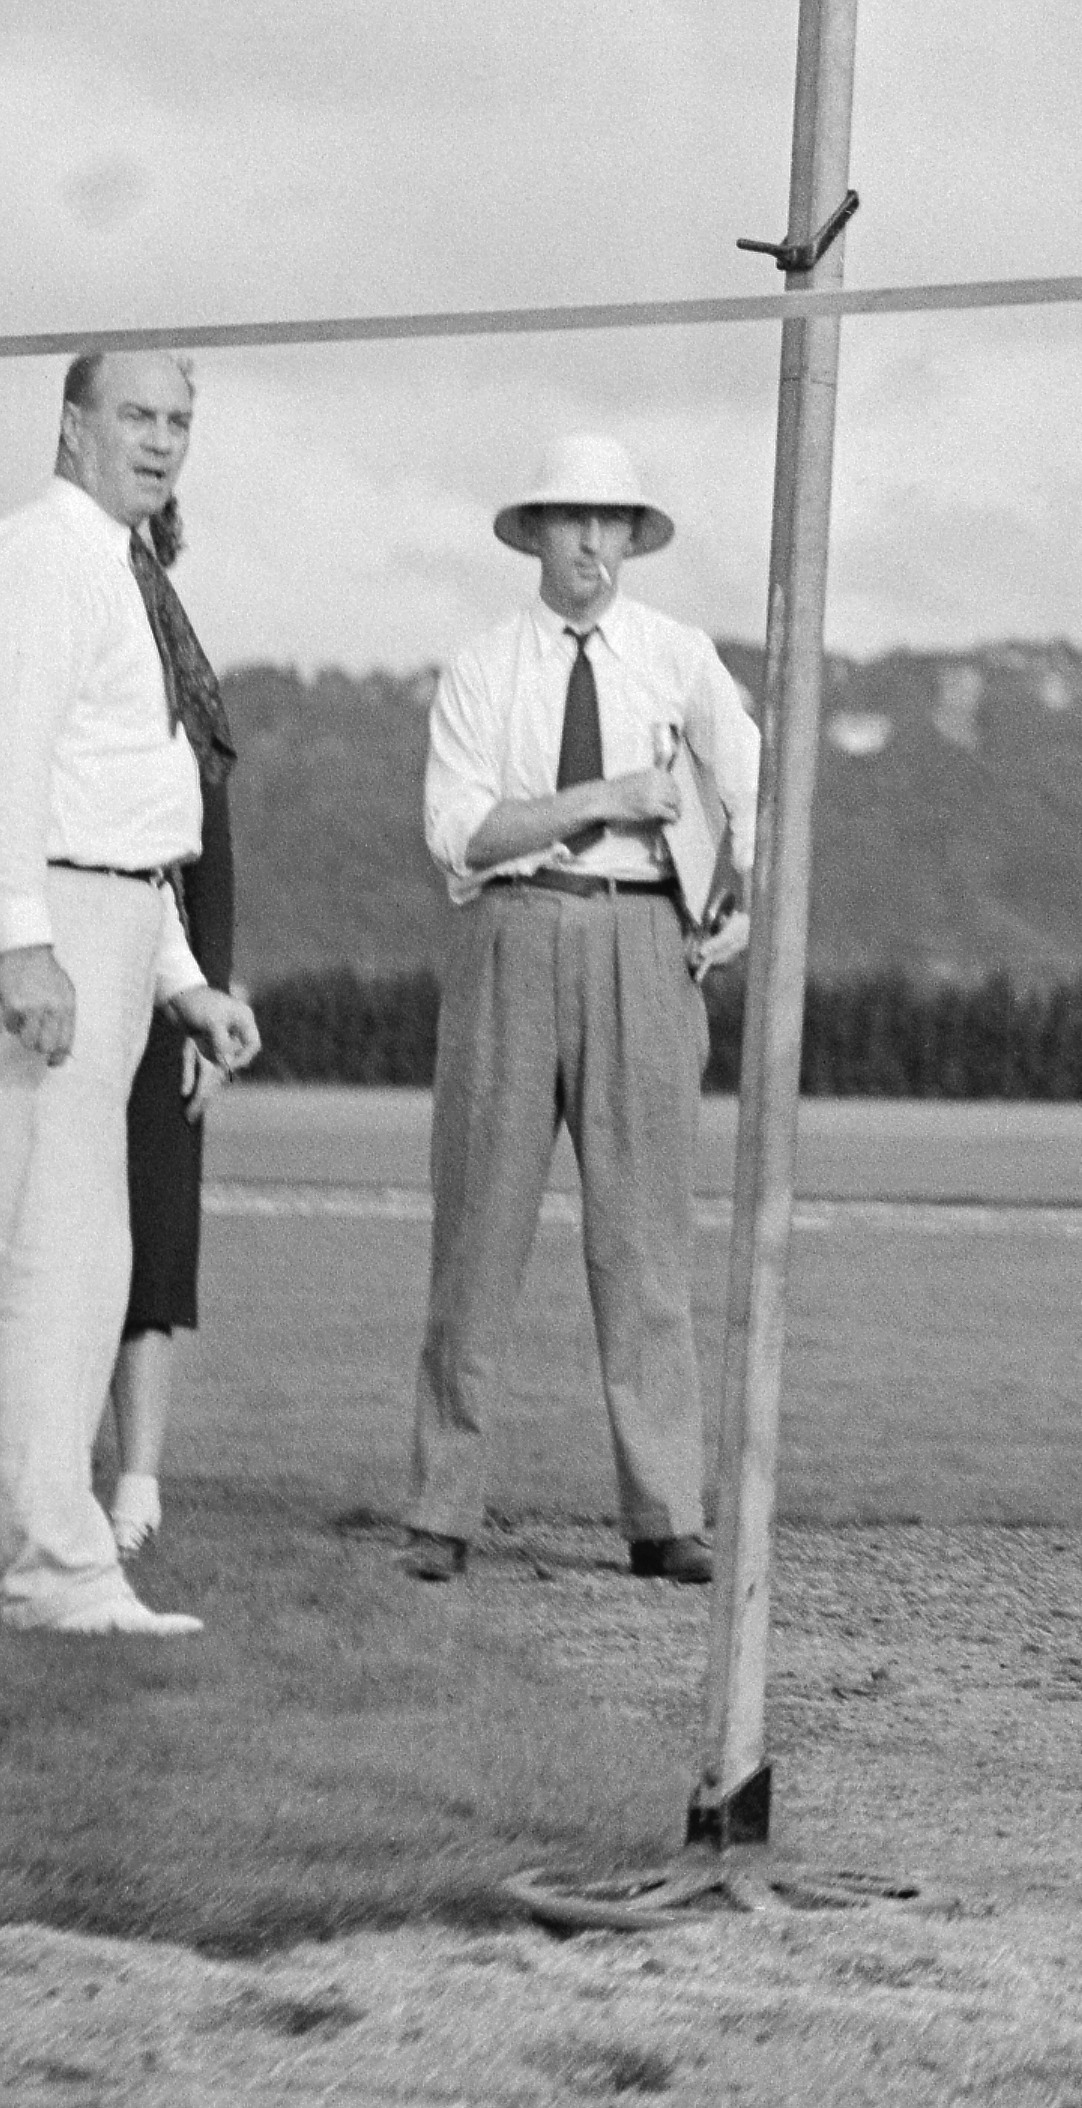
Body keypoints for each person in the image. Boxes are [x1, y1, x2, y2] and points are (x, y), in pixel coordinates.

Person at [402, 435, 755, 1590]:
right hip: (509, 934)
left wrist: (733, 901)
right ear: (535, 532)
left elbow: (756, 795)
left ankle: (664, 1516)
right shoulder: (482, 664)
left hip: (646, 943)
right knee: (478, 1236)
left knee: (646, 1242)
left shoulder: (680, 656)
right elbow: (460, 830)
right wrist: (599, 797)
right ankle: (443, 1510)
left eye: (614, 522)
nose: (594, 544)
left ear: (632, 535)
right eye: (572, 521)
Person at [0, 352, 264, 1638]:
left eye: (179, 420)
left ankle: (53, 1556)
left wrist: (182, 981)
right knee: (44, 1258)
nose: (160, 441)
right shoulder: (46, 553)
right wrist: (20, 942)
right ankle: (53, 1563)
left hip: (109, 912)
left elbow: (133, 802)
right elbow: (11, 753)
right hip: (45, 916)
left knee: (85, 1255)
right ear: (72, 422)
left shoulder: (126, 567)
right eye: (136, 416)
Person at [104, 490, 246, 1561]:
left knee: (155, 1245)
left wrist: (206, 1010)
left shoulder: (193, 701)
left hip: (171, 998)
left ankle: (137, 1483)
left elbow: (215, 872)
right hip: (66, 970)